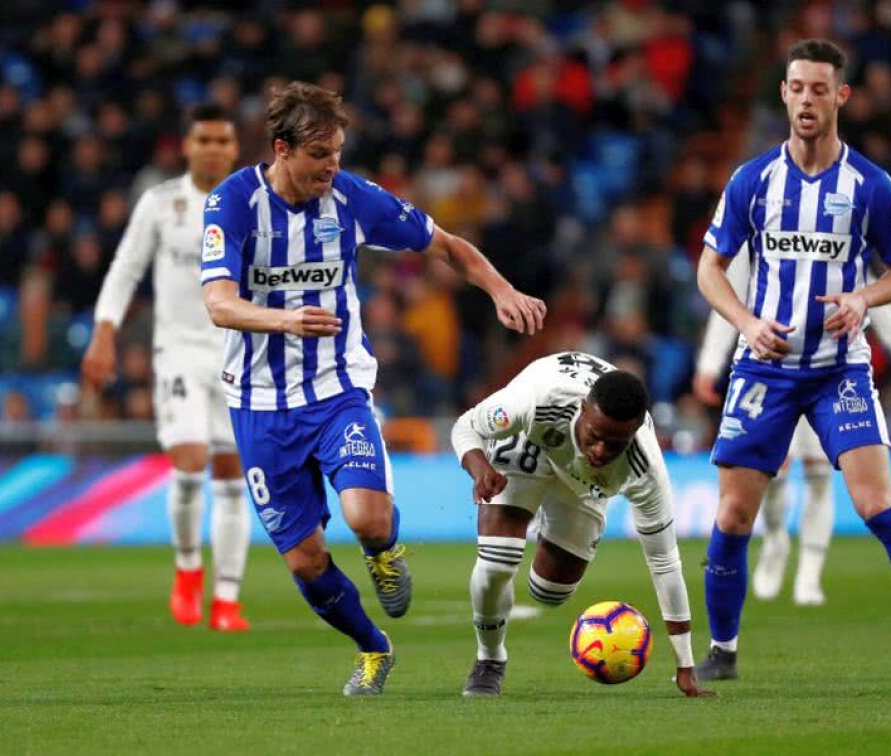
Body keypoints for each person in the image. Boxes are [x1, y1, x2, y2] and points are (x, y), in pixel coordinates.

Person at [200, 82, 546, 696]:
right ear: (281, 149)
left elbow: (445, 245)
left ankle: (385, 551)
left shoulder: (352, 198)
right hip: (258, 405)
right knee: (305, 560)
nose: (332, 165)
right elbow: (219, 304)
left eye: (337, 151)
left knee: (365, 516)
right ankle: (373, 648)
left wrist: (501, 291)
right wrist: (284, 319)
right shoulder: (232, 204)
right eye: (319, 154)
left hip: (338, 391)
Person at [693, 39, 891, 682]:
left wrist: (864, 296)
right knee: (733, 515)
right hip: (763, 372)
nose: (807, 99)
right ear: (783, 93)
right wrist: (745, 322)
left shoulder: (871, 186)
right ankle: (722, 652)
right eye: (797, 87)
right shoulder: (752, 181)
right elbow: (709, 269)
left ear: (841, 97)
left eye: (819, 89)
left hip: (839, 370)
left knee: (878, 505)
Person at [450, 351, 713, 699]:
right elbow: (466, 425)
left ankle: (549, 512)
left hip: (583, 486)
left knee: (550, 593)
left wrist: (685, 665)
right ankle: (490, 659)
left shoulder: (645, 468)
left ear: (635, 431)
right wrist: (480, 468)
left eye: (615, 444)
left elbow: (665, 562)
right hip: (530, 445)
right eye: (596, 435)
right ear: (584, 410)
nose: (601, 450)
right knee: (498, 561)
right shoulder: (538, 400)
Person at [83, 103, 251, 632]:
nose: (214, 149)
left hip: (240, 353)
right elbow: (125, 270)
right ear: (187, 145)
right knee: (188, 462)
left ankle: (226, 600)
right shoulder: (161, 203)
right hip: (178, 350)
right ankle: (187, 569)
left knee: (231, 477)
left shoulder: (254, 203)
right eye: (204, 140)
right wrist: (104, 333)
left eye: (223, 141)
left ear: (233, 147)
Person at [693, 249, 891, 606]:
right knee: (775, 474)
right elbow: (727, 293)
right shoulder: (756, 220)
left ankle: (810, 575)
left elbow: (866, 286)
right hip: (772, 372)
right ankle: (775, 542)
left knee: (818, 477)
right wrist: (710, 362)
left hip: (828, 371)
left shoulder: (839, 214)